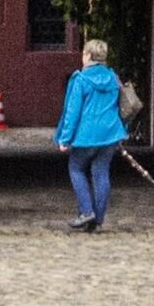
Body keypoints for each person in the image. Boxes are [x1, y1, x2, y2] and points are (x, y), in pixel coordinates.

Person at [56, 37, 129, 231]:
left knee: (76, 169)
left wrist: (65, 138)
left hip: (86, 135)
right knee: (101, 173)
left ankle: (86, 211)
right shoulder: (113, 78)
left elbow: (73, 112)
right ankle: (98, 219)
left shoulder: (81, 79)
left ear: (87, 56)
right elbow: (122, 106)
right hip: (110, 134)